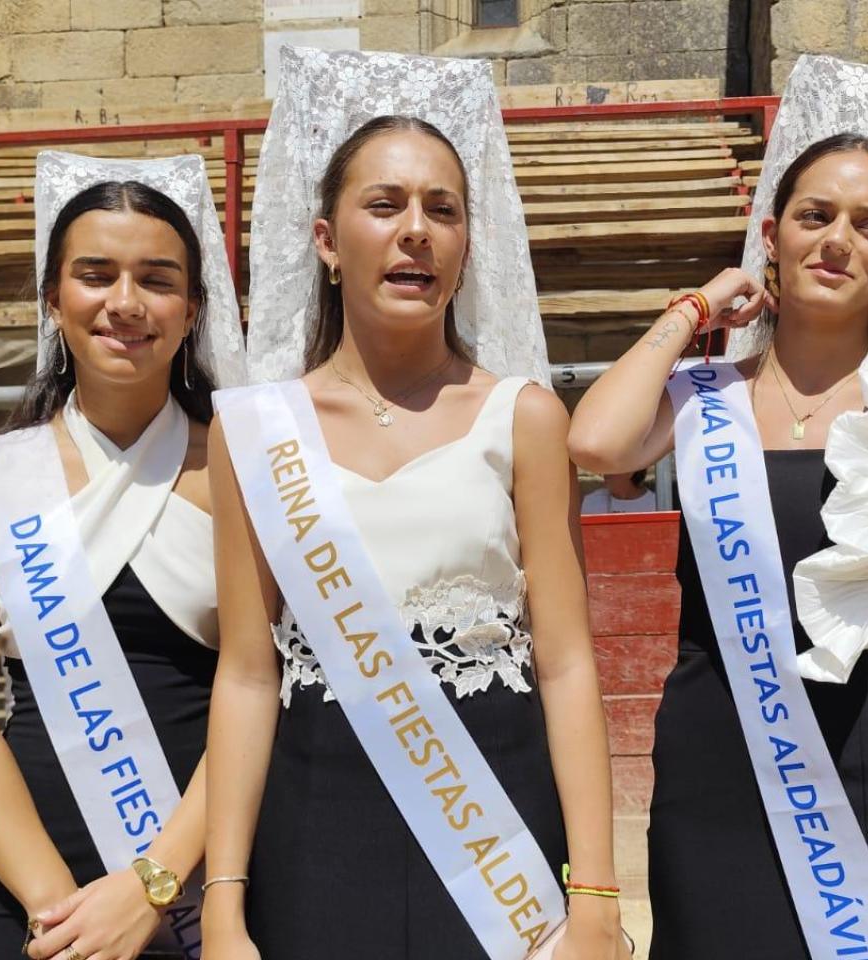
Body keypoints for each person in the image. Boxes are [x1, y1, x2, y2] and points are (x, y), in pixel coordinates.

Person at [569, 55, 868, 960]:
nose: (838, 242)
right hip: (715, 778)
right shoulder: (701, 396)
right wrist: (696, 307)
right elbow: (595, 443)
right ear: (772, 233)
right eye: (815, 216)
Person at [202, 49, 626, 960]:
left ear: (471, 242)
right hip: (312, 823)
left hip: (497, 824)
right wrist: (222, 903)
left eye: (443, 210)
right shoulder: (250, 430)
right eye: (384, 205)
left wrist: (594, 896)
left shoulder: (527, 416)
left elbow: (565, 663)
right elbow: (245, 673)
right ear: (325, 239)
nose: (416, 232)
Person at [0, 152, 245, 960]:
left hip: (211, 883)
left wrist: (149, 888)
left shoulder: (245, 470)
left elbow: (263, 686)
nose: (125, 303)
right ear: (53, 298)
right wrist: (57, 909)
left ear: (194, 308)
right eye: (95, 275)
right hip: (34, 895)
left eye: (158, 279)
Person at [580, 470, 657, 514]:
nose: (605, 474)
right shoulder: (591, 501)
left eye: (612, 467)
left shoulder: (655, 505)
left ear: (630, 471)